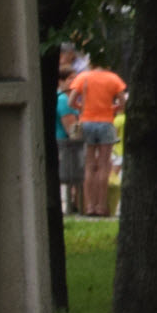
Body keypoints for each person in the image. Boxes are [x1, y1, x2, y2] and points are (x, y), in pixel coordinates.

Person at [69, 58, 128, 217]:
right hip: (106, 123)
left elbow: (71, 101)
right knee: (103, 165)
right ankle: (101, 206)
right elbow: (122, 102)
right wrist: (113, 108)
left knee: (89, 165)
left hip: (86, 122)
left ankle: (89, 206)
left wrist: (82, 107)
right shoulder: (113, 79)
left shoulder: (83, 77)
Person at [56, 66, 84, 215]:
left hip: (63, 144)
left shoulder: (63, 98)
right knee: (72, 176)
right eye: (70, 78)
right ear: (61, 81)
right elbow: (71, 128)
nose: (74, 81)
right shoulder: (63, 101)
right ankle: (73, 206)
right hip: (66, 144)